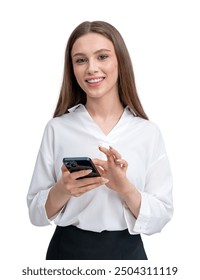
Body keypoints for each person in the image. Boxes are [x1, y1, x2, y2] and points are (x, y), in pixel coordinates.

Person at [27, 21, 173, 260]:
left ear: (120, 62)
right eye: (80, 60)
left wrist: (124, 187)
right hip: (66, 254)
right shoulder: (57, 128)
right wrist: (63, 189)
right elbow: (35, 213)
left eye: (102, 56)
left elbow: (162, 215)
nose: (91, 68)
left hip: (128, 256)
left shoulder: (147, 132)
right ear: (72, 68)